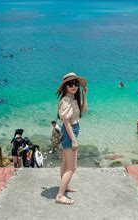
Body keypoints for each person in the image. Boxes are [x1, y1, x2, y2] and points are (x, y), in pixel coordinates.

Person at [55, 72, 88, 205]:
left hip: (72, 130)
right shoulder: (66, 100)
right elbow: (66, 122)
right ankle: (60, 195)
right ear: (65, 86)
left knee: (64, 163)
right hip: (70, 132)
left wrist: (84, 95)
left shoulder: (73, 98)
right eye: (70, 84)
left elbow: (84, 110)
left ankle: (65, 185)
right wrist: (74, 140)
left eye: (76, 83)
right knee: (72, 167)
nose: (74, 86)